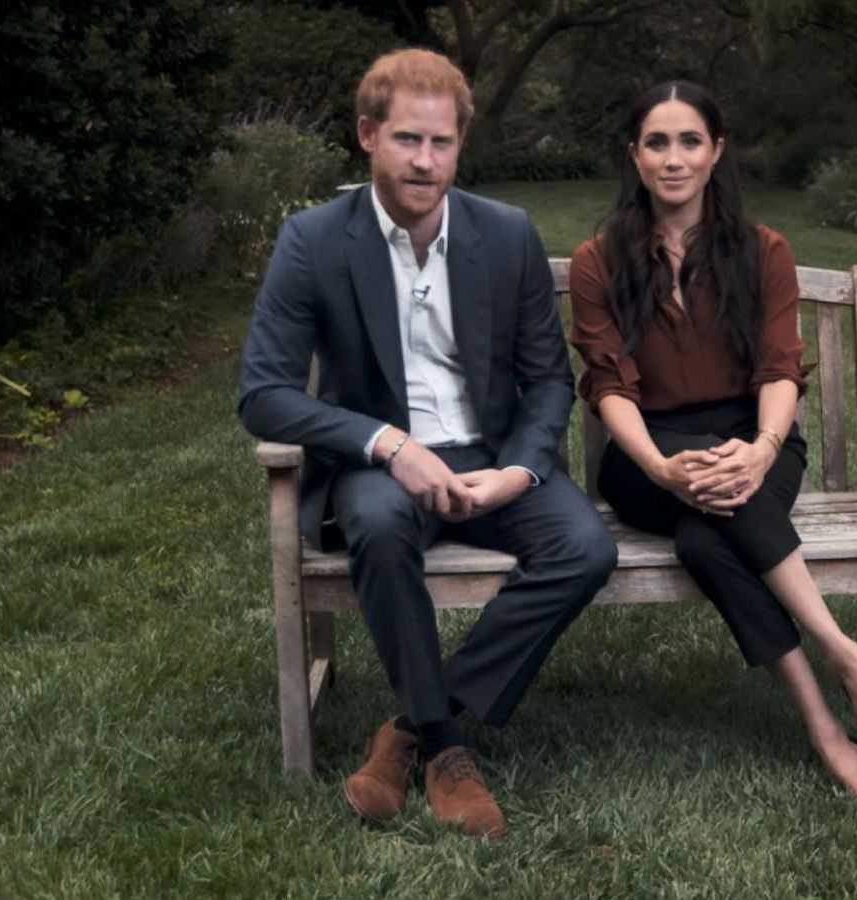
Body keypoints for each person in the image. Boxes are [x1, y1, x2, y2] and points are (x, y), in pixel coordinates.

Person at [237, 49, 616, 839]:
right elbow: (263, 394)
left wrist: (518, 468)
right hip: (384, 466)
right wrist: (384, 444)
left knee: (585, 547)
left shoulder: (505, 234)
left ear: (459, 147)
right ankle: (445, 747)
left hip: (492, 457)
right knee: (374, 523)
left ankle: (410, 726)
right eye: (407, 140)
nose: (425, 161)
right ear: (368, 135)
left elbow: (548, 380)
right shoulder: (313, 240)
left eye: (441, 144)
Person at [568, 81, 857, 811]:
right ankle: (843, 656)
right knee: (708, 509)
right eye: (656, 142)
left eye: (689, 140)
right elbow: (608, 387)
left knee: (708, 537)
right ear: (633, 156)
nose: (673, 158)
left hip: (754, 433)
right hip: (646, 453)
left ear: (716, 151)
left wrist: (761, 446)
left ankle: (827, 724)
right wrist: (663, 469)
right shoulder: (600, 260)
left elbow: (779, 367)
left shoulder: (762, 251)